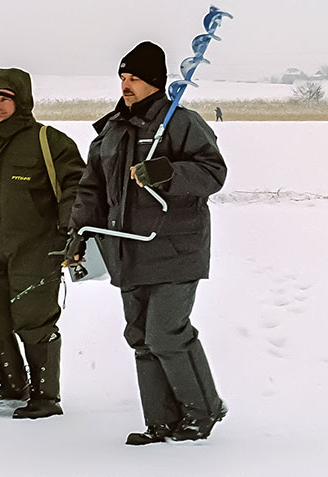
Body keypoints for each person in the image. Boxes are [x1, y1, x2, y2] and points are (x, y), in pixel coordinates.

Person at [67, 42, 228, 444]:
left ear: (155, 82)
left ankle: (202, 412)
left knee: (166, 334)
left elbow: (212, 172)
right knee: (140, 338)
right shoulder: (111, 131)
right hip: (128, 248)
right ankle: (161, 422)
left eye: (134, 78)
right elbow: (92, 190)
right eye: (123, 77)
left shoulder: (181, 124)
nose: (126, 85)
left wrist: (164, 172)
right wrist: (78, 234)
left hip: (175, 247)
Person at [0, 67, 85, 419]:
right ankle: (13, 386)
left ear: (21, 100)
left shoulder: (49, 141)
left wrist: (71, 232)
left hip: (40, 249)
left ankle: (45, 398)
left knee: (34, 321)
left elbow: (76, 189)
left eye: (5, 99)